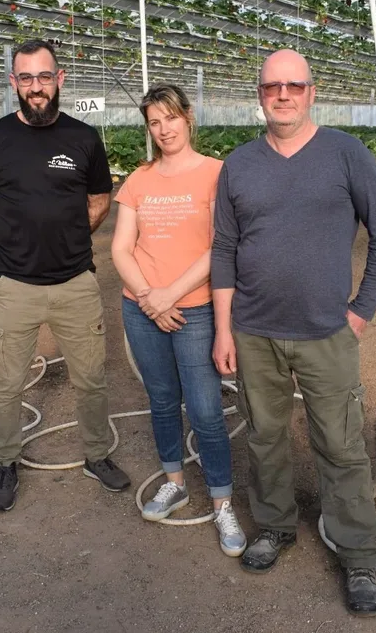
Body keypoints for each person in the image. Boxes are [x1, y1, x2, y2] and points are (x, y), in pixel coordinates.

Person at [210, 49, 376, 616]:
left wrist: (359, 312)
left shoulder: (346, 154)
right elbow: (223, 248)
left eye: (294, 86)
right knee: (264, 437)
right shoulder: (238, 164)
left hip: (326, 332)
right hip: (254, 330)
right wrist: (223, 329)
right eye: (273, 87)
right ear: (260, 94)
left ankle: (358, 553)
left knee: (340, 444)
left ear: (311, 93)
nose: (283, 95)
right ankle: (274, 526)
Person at [0, 39, 130, 512]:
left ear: (59, 80)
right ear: (13, 83)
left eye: (44, 77)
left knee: (92, 379)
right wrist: (15, 246)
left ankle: (97, 455)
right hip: (14, 285)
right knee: (6, 383)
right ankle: (5, 462)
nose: (35, 87)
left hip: (76, 283)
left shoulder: (83, 138)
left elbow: (99, 201)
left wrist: (68, 239)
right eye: (26, 78)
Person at [111, 84, 246, 557]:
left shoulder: (216, 174)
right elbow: (120, 248)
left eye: (170, 118)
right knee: (163, 400)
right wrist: (150, 297)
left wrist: (170, 294)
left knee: (206, 409)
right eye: (154, 122)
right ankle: (175, 483)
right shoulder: (139, 179)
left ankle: (222, 500)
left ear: (188, 117)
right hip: (143, 309)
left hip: (196, 309)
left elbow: (220, 246)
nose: (163, 129)